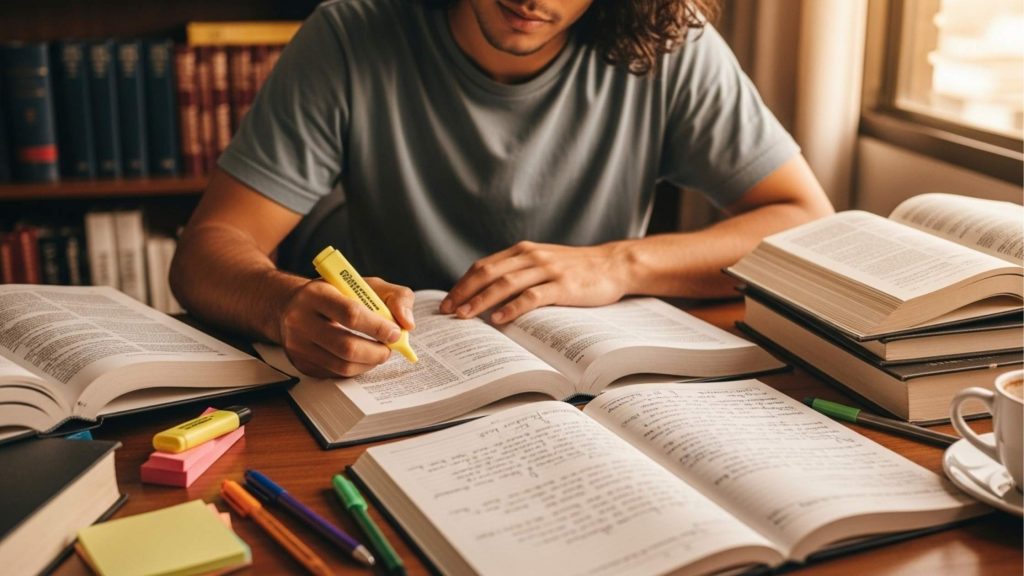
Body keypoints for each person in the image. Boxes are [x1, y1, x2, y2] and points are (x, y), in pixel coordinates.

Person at [170, 0, 834, 378]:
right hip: (395, 380)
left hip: (590, 386)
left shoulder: (671, 45)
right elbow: (208, 250)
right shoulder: (349, 36)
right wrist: (282, 305)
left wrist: (619, 263)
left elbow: (803, 219)